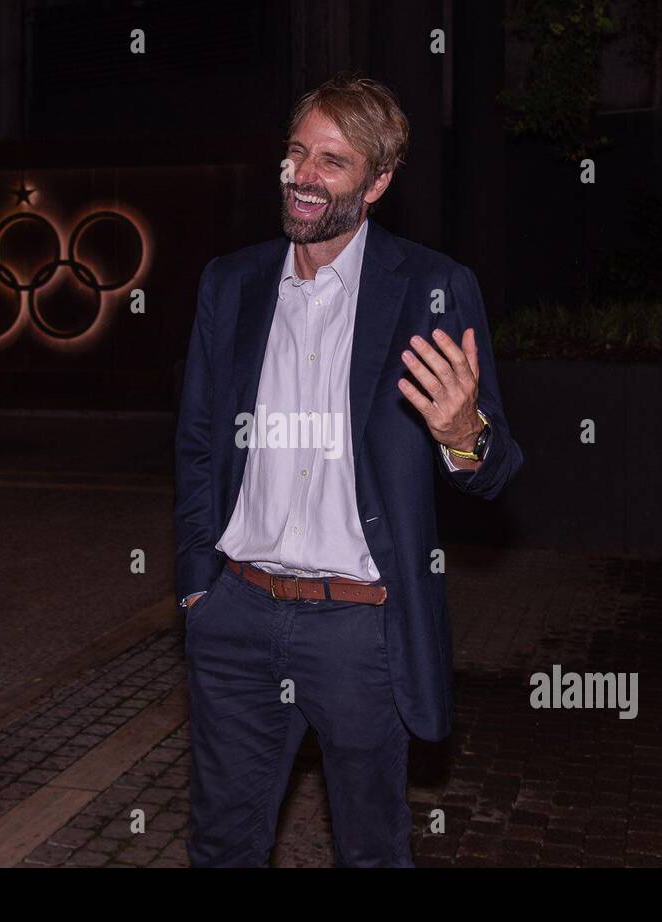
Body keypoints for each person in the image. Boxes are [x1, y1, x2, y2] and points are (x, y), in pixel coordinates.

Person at [174, 75, 524, 867]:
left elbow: (495, 469)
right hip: (236, 614)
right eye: (297, 151)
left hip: (360, 629)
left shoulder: (432, 289)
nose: (305, 173)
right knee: (221, 845)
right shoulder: (229, 284)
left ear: (377, 182)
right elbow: (198, 441)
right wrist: (199, 585)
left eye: (333, 160)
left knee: (371, 850)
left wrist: (463, 432)